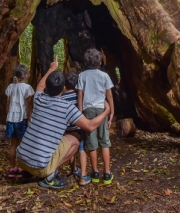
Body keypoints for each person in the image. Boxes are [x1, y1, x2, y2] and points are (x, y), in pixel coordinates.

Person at [16, 58, 110, 190]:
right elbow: (89, 126)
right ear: (63, 88)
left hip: (20, 159)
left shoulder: (38, 98)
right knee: (75, 140)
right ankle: (49, 176)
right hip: (40, 167)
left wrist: (52, 68)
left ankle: (29, 172)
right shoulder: (67, 108)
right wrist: (106, 111)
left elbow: (40, 86)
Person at [77, 48, 114, 184]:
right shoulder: (104, 76)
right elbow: (109, 95)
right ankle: (107, 173)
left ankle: (95, 173)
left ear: (86, 62)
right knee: (104, 142)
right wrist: (111, 112)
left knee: (91, 144)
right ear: (99, 62)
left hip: (87, 111)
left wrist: (80, 113)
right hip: (101, 109)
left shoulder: (82, 76)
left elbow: (80, 95)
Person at [61, 71, 90, 186]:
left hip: (67, 128)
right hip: (78, 126)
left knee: (71, 148)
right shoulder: (79, 96)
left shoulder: (61, 98)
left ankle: (73, 170)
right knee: (81, 150)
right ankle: (83, 175)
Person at [5, 64, 34, 178]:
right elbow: (28, 104)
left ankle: (12, 168)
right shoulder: (28, 88)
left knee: (13, 144)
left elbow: (7, 102)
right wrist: (30, 117)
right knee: (22, 144)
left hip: (11, 118)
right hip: (22, 118)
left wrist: (8, 115)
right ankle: (21, 168)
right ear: (26, 75)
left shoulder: (10, 87)